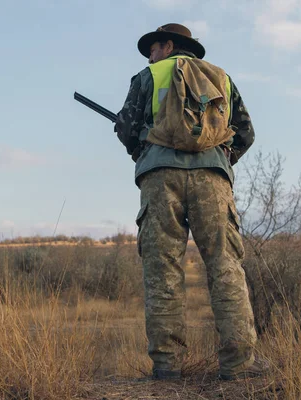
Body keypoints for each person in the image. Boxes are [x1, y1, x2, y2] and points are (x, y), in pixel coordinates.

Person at [114, 23, 267, 381]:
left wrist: (143, 150)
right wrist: (219, 160)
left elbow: (127, 127)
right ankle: (238, 365)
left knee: (163, 271)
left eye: (153, 48)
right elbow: (245, 132)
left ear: (168, 46)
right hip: (212, 179)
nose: (150, 55)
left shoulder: (148, 75)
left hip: (160, 178)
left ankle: (167, 367)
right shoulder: (221, 78)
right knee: (225, 266)